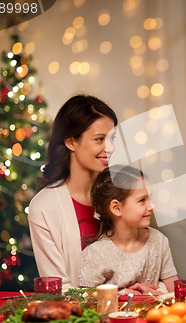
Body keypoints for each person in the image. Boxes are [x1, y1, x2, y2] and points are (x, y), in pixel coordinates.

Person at [28, 94, 118, 292]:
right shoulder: (43, 207)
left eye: (112, 139)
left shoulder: (120, 193)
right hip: (77, 317)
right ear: (71, 142)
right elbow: (58, 288)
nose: (109, 148)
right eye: (100, 139)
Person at [78, 166, 178, 295]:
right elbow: (87, 299)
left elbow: (176, 293)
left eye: (150, 198)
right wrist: (125, 293)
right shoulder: (95, 254)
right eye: (142, 200)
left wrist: (163, 295)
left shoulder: (159, 240)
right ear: (116, 208)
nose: (152, 206)